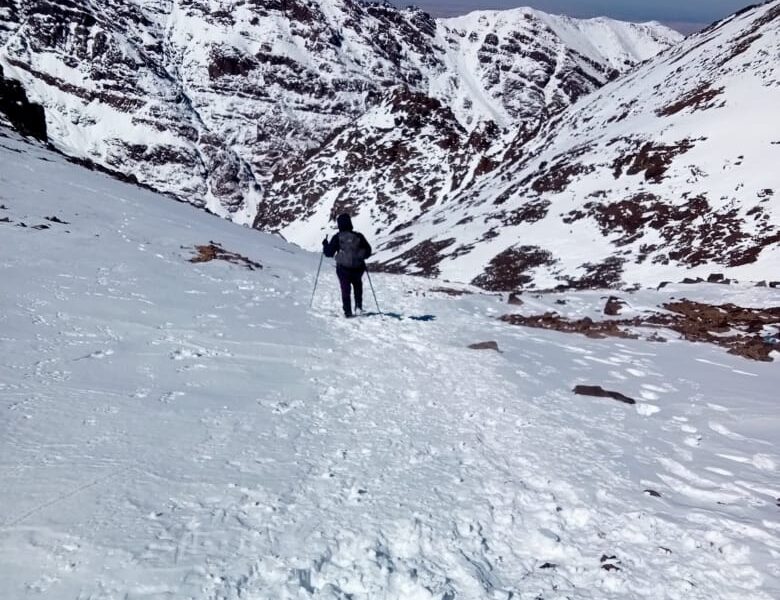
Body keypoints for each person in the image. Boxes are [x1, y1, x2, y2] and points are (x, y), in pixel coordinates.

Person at [322, 213, 372, 318]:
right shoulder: (358, 236)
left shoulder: (337, 237)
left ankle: (348, 311)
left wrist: (325, 244)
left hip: (343, 268)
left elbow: (329, 253)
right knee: (358, 285)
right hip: (358, 268)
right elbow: (368, 250)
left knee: (345, 288)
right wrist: (361, 256)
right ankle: (358, 307)